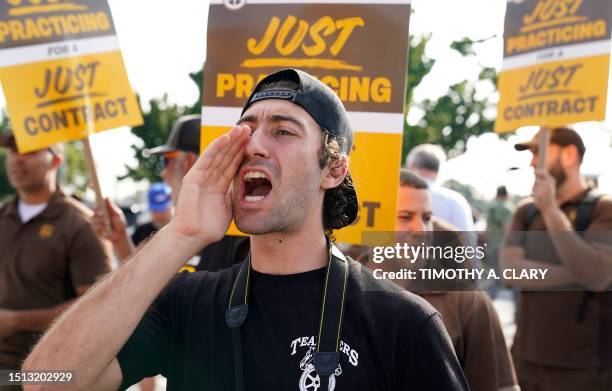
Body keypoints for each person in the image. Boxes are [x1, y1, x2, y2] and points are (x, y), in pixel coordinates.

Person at [23, 69, 468, 390]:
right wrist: (182, 233)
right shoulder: (188, 303)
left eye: (283, 131)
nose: (254, 144)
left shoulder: (401, 323)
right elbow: (46, 382)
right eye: (247, 129)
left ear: (333, 169)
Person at [363, 168, 518, 391]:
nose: (421, 230)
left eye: (426, 218)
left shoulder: (470, 303)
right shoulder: (339, 289)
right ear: (372, 221)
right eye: (405, 217)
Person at [501, 127, 612, 391]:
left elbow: (597, 275)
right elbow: (510, 272)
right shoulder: (525, 211)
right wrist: (575, 274)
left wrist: (551, 209)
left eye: (539, 152)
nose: (531, 162)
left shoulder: (603, 209)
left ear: (569, 155)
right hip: (525, 364)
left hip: (584, 370)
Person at [0, 132, 112, 381]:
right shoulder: (2, 217)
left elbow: (98, 306)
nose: (17, 159)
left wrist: (18, 321)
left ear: (56, 161)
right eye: (12, 150)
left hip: (52, 371)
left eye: (29, 150)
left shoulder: (81, 224)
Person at [95, 114, 249, 271]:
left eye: (166, 161)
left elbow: (153, 290)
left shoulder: (231, 234)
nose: (162, 173)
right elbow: (151, 286)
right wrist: (120, 238)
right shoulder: (210, 228)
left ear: (188, 162)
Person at [406, 144, 474, 232]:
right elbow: (468, 241)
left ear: (411, 167)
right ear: (439, 170)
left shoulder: (396, 196)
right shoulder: (457, 201)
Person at [485, 185, 514, 298]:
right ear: (506, 195)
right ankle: (492, 298)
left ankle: (491, 297)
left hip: (491, 244)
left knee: (494, 273)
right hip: (502, 245)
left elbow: (487, 229)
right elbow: (506, 228)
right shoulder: (506, 207)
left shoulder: (491, 207)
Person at [131, 182, 174, 246]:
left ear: (171, 206)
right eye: (155, 211)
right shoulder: (142, 231)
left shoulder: (183, 230)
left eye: (163, 210)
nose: (159, 215)